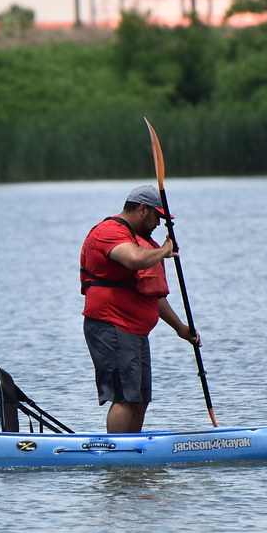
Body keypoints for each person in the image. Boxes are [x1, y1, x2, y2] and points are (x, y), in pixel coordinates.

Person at [79, 184, 201, 433]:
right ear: (143, 210)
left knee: (140, 398)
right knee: (125, 397)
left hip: (134, 331)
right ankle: (117, 456)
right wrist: (164, 250)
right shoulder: (109, 231)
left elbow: (151, 294)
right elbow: (133, 259)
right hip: (112, 325)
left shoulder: (143, 242)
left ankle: (132, 464)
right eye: (158, 216)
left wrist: (180, 328)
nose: (159, 224)